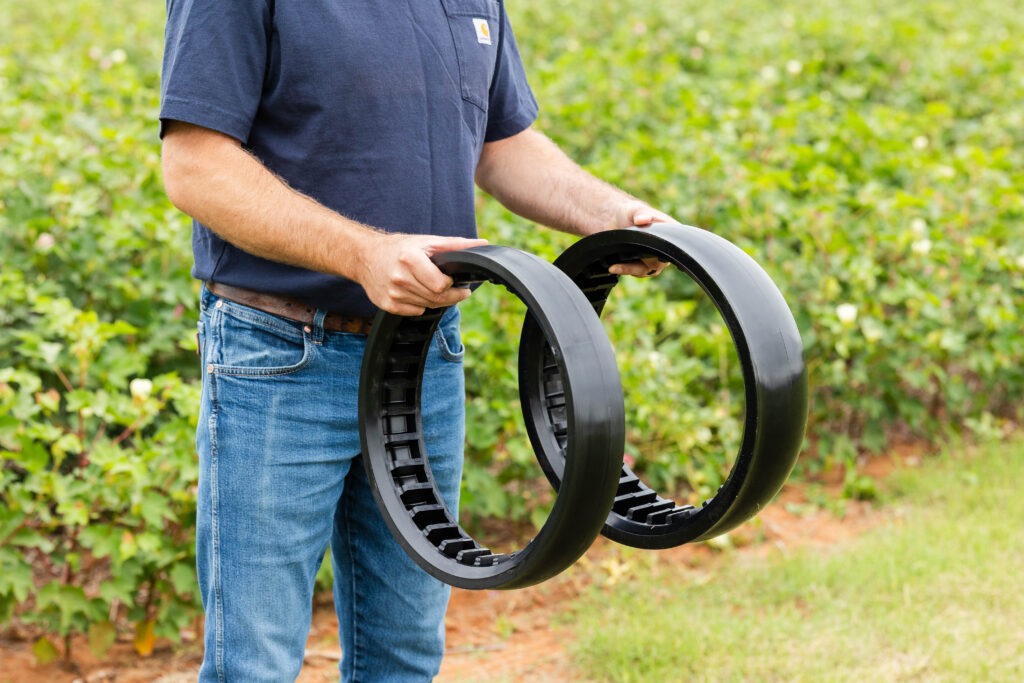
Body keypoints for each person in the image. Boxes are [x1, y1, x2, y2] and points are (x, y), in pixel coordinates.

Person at [159, 0, 671, 680]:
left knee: (402, 656)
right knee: (254, 663)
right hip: (280, 356)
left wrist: (614, 216)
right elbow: (195, 164)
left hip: (423, 355)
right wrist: (362, 253)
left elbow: (501, 143)